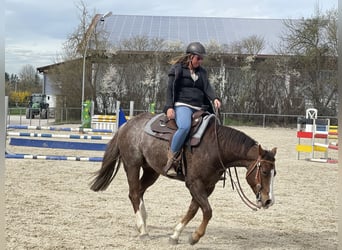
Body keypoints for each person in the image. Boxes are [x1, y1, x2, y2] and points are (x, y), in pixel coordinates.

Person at [162, 42, 221, 177]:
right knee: (185, 127)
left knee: (214, 128)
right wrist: (169, 107)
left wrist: (215, 98)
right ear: (190, 57)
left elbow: (207, 88)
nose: (200, 61)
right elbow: (170, 89)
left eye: (202, 59)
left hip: (199, 107)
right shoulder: (177, 69)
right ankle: (171, 160)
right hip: (182, 105)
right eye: (198, 58)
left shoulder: (202, 72)